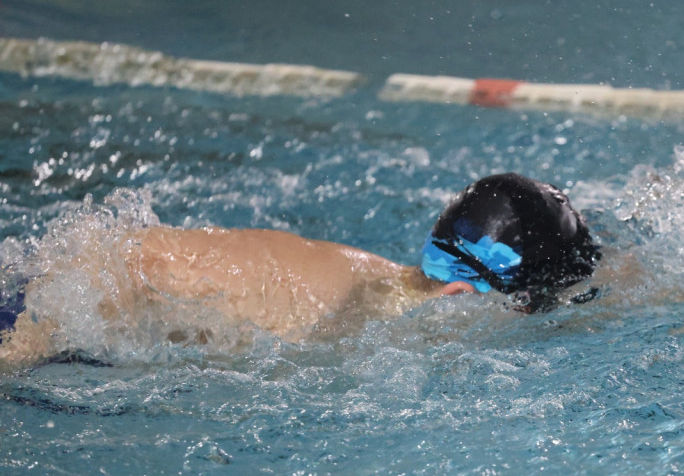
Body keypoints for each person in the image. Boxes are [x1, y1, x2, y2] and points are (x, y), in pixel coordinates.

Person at [0, 173, 600, 366]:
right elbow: (133, 265)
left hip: (66, 281)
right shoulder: (357, 308)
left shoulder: (385, 289)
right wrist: (33, 338)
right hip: (60, 302)